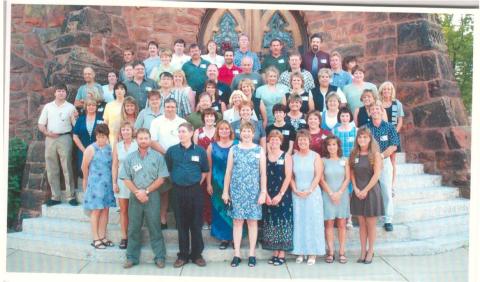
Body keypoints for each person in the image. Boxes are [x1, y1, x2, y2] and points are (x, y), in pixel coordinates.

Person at [120, 128, 169, 269]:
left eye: (146, 138)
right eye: (140, 138)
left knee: (155, 226)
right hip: (135, 196)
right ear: (136, 140)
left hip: (152, 195)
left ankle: (160, 257)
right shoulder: (130, 158)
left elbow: (162, 178)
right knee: (134, 227)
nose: (143, 140)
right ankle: (131, 257)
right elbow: (126, 178)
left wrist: (146, 191)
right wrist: (137, 192)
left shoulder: (158, 157)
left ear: (150, 139)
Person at [165, 122, 210, 268]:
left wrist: (194, 183)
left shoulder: (200, 151)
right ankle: (183, 255)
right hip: (178, 191)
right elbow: (168, 170)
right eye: (179, 132)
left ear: (191, 133)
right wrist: (179, 182)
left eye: (184, 131)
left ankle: (197, 255)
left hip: (195, 191)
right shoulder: (171, 151)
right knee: (182, 225)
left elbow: (204, 170)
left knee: (196, 224)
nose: (181, 134)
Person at [222, 122, 267, 267]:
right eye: (244, 131)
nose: (246, 134)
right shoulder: (234, 149)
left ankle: (252, 254)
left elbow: (263, 174)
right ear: (240, 133)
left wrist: (263, 192)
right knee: (237, 222)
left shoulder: (259, 150)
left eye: (249, 131)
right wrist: (225, 191)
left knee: (252, 222)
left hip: (254, 192)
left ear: (253, 134)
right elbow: (228, 172)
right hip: (237, 191)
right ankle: (237, 254)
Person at [38, 84, 78, 206]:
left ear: (66, 94)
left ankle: (70, 196)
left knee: (67, 167)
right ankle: (55, 197)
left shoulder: (71, 107)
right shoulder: (48, 107)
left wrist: (77, 117)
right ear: (55, 93)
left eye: (63, 91)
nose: (61, 93)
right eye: (59, 91)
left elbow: (75, 125)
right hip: (50, 139)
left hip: (65, 137)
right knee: (51, 168)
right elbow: (41, 124)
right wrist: (46, 133)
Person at [150, 98, 187, 228]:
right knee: (164, 191)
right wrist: (167, 153)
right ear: (163, 107)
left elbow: (186, 140)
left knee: (180, 191)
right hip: (162, 160)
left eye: (172, 107)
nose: (170, 109)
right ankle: (163, 219)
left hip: (180, 161)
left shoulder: (182, 122)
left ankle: (180, 220)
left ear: (176, 108)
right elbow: (152, 141)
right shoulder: (156, 122)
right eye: (167, 107)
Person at [349, 128, 384, 264]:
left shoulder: (375, 154)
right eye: (360, 137)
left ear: (370, 139)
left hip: (371, 192)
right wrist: (356, 189)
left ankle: (371, 251)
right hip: (358, 192)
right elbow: (352, 173)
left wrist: (365, 190)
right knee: (362, 224)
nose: (362, 140)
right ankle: (363, 251)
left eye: (365, 137)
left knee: (370, 224)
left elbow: (376, 175)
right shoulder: (354, 154)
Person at [291, 129, 326, 265]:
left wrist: (310, 190)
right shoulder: (293, 157)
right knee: (299, 221)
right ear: (297, 142)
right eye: (300, 140)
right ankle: (300, 251)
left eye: (305, 139)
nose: (302, 142)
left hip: (312, 193)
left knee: (313, 222)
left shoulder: (315, 156)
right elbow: (291, 177)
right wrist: (295, 189)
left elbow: (318, 175)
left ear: (309, 141)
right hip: (297, 193)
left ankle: (312, 252)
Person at [365, 103, 400, 232]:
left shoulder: (390, 127)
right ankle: (371, 216)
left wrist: (381, 155)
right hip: (369, 162)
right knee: (370, 190)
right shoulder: (366, 128)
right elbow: (362, 144)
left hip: (384, 162)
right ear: (369, 112)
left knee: (386, 191)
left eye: (377, 109)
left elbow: (394, 145)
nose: (375, 111)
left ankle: (388, 220)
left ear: (381, 111)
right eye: (372, 109)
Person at [81, 124, 116, 249]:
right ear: (96, 136)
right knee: (96, 211)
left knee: (105, 209)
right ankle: (95, 238)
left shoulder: (109, 149)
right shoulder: (91, 149)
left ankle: (102, 236)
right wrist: (86, 181)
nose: (101, 139)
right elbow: (84, 167)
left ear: (107, 137)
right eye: (99, 136)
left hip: (107, 185)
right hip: (95, 185)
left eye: (104, 137)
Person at [262, 130, 293, 266]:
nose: (274, 142)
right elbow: (262, 175)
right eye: (272, 139)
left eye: (277, 139)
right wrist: (266, 195)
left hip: (283, 195)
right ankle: (275, 251)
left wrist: (280, 195)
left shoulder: (286, 156)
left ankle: (282, 253)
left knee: (282, 221)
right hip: (268, 194)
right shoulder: (265, 156)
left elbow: (288, 177)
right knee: (271, 222)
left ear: (281, 142)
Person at [319, 135, 351, 264]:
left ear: (338, 146)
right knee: (329, 224)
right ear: (326, 147)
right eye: (329, 145)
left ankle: (342, 251)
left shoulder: (345, 160)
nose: (332, 147)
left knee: (342, 224)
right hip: (328, 195)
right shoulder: (323, 161)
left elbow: (348, 178)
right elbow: (321, 179)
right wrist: (331, 193)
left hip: (342, 195)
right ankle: (331, 251)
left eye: (334, 144)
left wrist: (339, 193)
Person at [206, 121, 237, 249]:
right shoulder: (211, 146)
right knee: (220, 210)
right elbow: (208, 166)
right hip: (217, 183)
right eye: (221, 129)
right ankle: (224, 238)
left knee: (234, 210)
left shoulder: (236, 145)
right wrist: (208, 183)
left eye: (226, 129)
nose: (224, 131)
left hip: (234, 182)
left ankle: (236, 237)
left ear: (230, 131)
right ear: (217, 131)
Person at [112, 121, 138, 249]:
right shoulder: (117, 145)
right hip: (122, 182)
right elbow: (115, 165)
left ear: (132, 131)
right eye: (123, 130)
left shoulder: (137, 144)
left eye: (128, 129)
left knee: (135, 211)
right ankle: (124, 237)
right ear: (120, 132)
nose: (125, 132)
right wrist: (114, 182)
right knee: (123, 210)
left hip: (135, 182)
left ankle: (134, 236)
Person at [193, 108, 218, 230]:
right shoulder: (198, 131)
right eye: (207, 116)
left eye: (211, 116)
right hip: (201, 168)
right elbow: (194, 150)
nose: (209, 118)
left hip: (217, 168)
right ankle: (204, 220)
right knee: (202, 195)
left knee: (215, 194)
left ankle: (214, 220)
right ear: (203, 118)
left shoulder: (219, 131)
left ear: (215, 118)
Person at [379, 81, 404, 188]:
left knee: (392, 160)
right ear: (381, 91)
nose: (386, 91)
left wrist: (393, 133)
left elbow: (400, 121)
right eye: (384, 89)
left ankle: (392, 184)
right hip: (380, 135)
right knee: (381, 158)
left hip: (393, 134)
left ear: (392, 91)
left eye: (389, 89)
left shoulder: (397, 104)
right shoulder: (378, 103)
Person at [73, 98, 104, 180]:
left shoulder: (101, 119)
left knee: (97, 172)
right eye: (89, 105)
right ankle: (86, 192)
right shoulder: (81, 119)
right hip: (83, 149)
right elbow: (75, 136)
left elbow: (105, 134)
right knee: (84, 173)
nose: (91, 107)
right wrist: (84, 150)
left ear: (96, 107)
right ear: (85, 107)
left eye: (93, 105)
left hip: (98, 150)